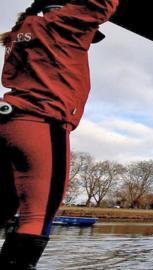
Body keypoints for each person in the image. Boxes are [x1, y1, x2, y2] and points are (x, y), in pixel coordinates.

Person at [0, 0, 119, 268]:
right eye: (88, 29)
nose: (89, 36)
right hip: (42, 122)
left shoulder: (24, 29)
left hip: (10, 120)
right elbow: (100, 4)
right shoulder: (62, 25)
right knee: (38, 216)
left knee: (6, 206)